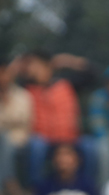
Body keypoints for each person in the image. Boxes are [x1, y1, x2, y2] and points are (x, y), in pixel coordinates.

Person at [17, 50, 95, 186]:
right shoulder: (26, 89)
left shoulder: (67, 84)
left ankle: (87, 187)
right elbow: (5, 76)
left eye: (35, 65)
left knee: (90, 146)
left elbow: (92, 74)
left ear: (47, 66)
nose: (31, 69)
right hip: (45, 141)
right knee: (36, 145)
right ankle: (35, 188)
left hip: (70, 138)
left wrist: (68, 61)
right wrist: (19, 64)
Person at [0, 59, 33, 195]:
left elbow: (25, 119)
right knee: (4, 140)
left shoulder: (23, 96)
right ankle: (11, 185)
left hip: (20, 140)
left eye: (4, 73)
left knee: (5, 141)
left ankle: (6, 187)